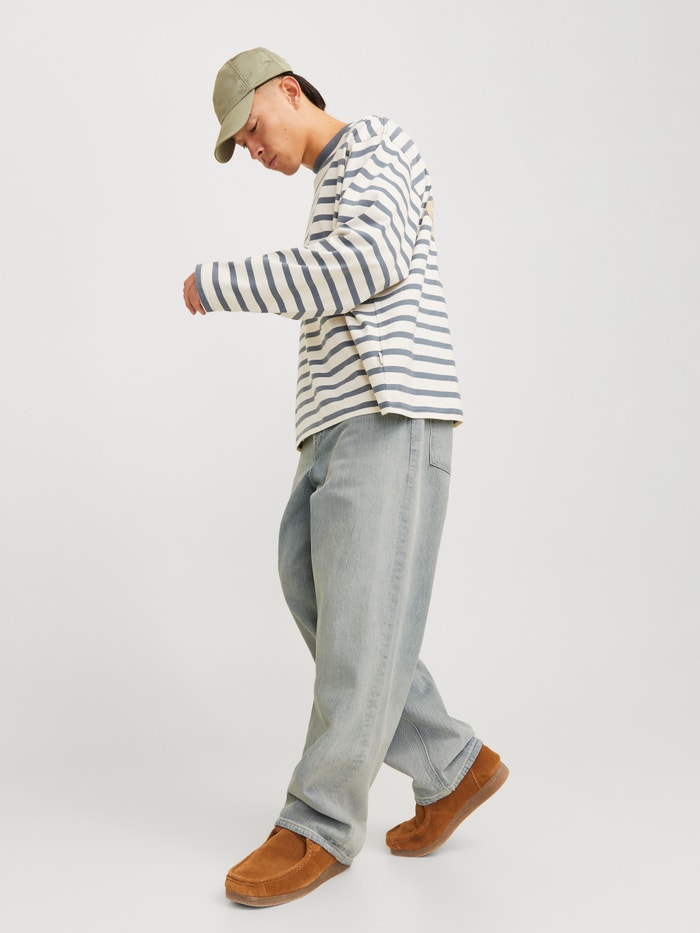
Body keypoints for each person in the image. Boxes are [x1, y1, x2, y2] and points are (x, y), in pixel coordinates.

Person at [182, 46, 508, 908]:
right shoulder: (334, 181)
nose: (254, 148)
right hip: (338, 424)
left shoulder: (376, 145)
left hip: (390, 415)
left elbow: (363, 267)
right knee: (313, 587)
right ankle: (451, 762)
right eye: (241, 143)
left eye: (253, 127)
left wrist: (221, 282)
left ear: (289, 90)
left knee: (359, 629)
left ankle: (321, 820)